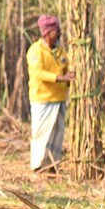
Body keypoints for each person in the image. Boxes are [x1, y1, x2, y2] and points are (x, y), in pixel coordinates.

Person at [26, 14, 75, 173]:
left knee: (57, 136)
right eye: (56, 30)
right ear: (46, 33)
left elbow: (67, 72)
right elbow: (38, 73)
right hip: (43, 100)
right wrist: (60, 78)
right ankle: (38, 168)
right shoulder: (36, 51)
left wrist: (70, 79)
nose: (59, 32)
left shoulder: (60, 53)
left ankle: (53, 167)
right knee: (42, 136)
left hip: (59, 99)